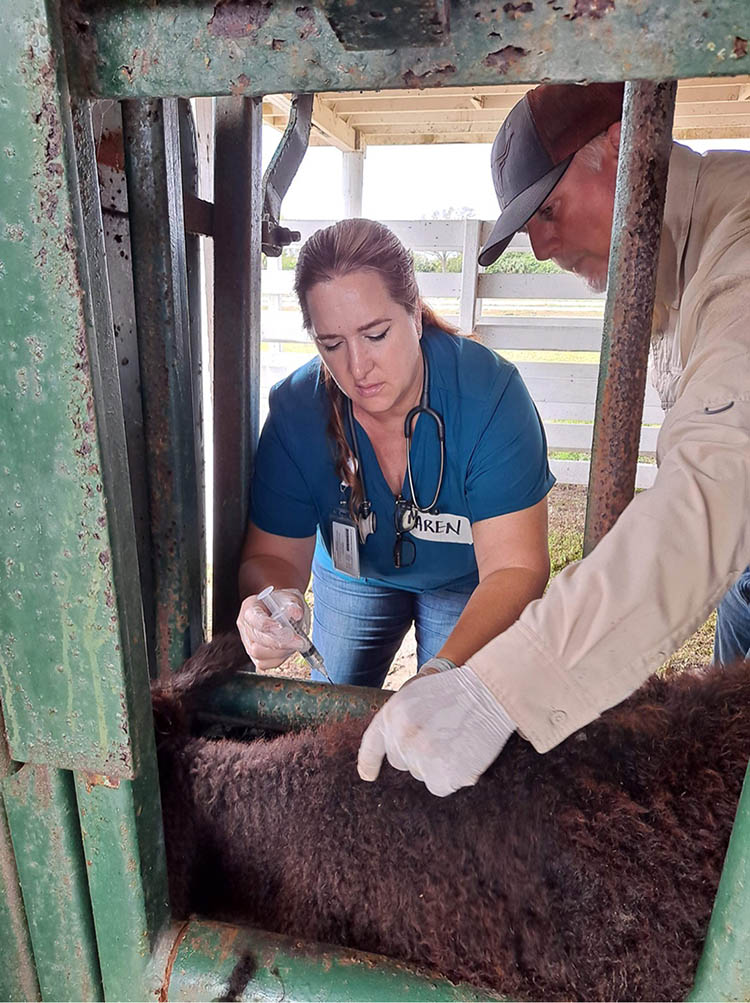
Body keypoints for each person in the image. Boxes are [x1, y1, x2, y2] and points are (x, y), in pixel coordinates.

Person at [357, 81, 750, 797]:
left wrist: (504, 687)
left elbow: (715, 487)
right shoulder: (675, 262)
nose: (538, 246)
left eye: (547, 210)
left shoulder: (741, 245)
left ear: (622, 147)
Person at [236, 218, 555, 688]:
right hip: (354, 573)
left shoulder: (490, 396)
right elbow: (272, 554)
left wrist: (443, 671)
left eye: (377, 334)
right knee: (330, 717)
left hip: (470, 580)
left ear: (414, 314)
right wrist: (271, 602)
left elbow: (516, 566)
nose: (358, 367)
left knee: (451, 719)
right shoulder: (298, 410)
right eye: (332, 344)